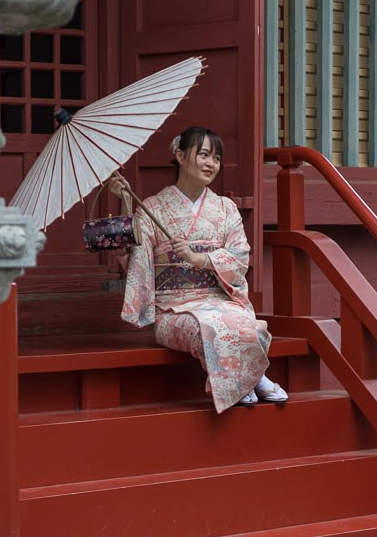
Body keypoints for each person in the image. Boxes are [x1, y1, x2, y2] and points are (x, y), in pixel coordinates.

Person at [109, 126, 288, 413]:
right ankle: (247, 381)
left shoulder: (226, 208)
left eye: (216, 158)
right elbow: (135, 257)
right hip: (173, 310)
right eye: (203, 155)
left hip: (219, 298)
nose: (211, 164)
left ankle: (253, 378)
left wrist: (199, 259)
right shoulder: (153, 207)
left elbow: (240, 257)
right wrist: (125, 201)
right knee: (208, 325)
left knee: (245, 322)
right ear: (180, 155)